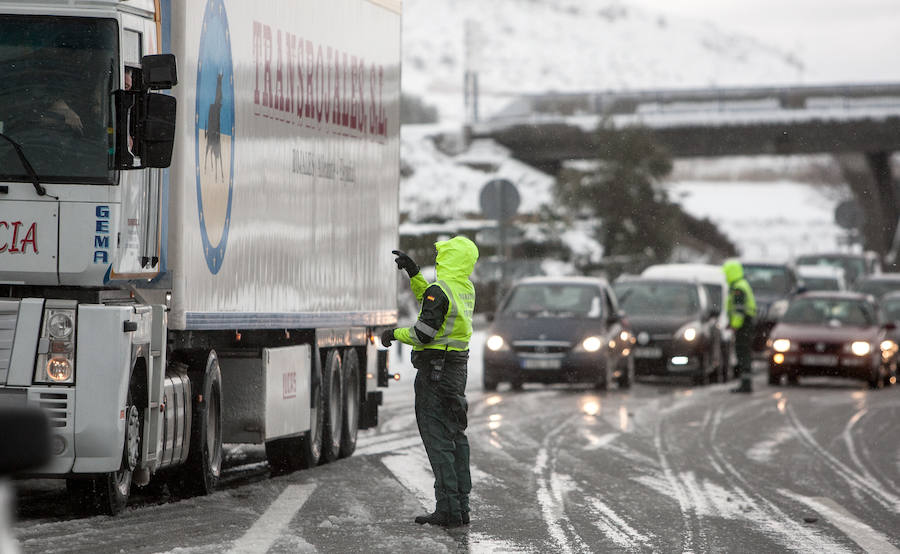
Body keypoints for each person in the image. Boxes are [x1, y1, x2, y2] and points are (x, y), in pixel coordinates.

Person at [380, 236, 479, 528]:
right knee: (455, 437)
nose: (438, 260)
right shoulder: (463, 287)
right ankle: (460, 506)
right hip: (456, 370)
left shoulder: (442, 289)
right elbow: (432, 302)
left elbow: (424, 332)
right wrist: (414, 274)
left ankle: (447, 508)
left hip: (435, 373)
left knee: (438, 440)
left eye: (441, 256)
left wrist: (393, 335)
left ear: (448, 259)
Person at [724, 259, 757, 393]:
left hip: (743, 325)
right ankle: (745, 383)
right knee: (744, 353)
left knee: (743, 353)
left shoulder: (738, 288)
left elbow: (738, 311)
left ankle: (746, 384)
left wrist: (735, 326)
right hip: (746, 325)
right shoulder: (741, 284)